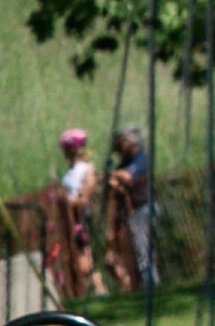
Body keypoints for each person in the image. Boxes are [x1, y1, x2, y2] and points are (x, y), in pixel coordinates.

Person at [106, 125, 156, 291]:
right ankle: (148, 286)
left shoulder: (142, 159)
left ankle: (150, 288)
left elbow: (127, 176)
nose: (118, 146)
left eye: (121, 141)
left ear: (131, 142)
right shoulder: (124, 163)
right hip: (134, 211)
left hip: (144, 208)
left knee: (144, 252)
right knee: (140, 251)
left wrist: (113, 174)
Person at [51, 128, 96, 298]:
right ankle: (94, 291)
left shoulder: (86, 169)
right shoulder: (69, 171)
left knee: (84, 259)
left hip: (79, 218)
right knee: (77, 257)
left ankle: (97, 290)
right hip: (68, 218)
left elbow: (85, 198)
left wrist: (66, 201)